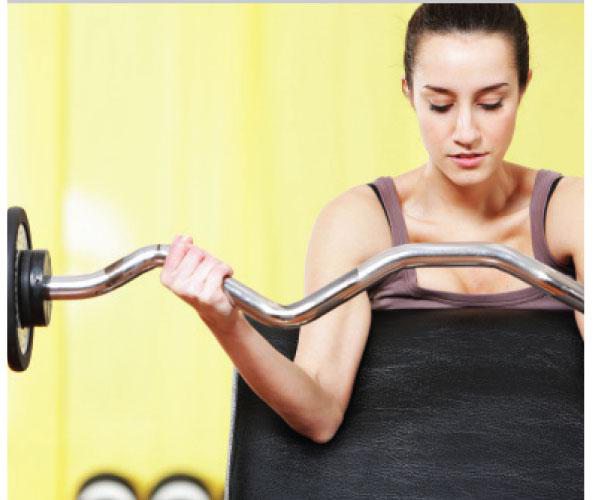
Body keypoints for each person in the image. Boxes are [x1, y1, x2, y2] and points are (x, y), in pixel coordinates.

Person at [159, 4, 583, 444]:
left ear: (524, 87)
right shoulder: (360, 221)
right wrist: (226, 323)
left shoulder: (571, 209)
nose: (466, 131)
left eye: (491, 103)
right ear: (409, 92)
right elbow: (319, 414)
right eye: (439, 105)